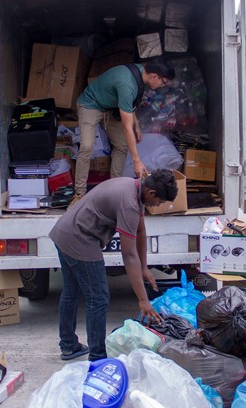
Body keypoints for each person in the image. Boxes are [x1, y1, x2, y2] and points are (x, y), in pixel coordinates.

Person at [48, 169, 177, 361]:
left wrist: (144, 268)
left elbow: (140, 231)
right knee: (98, 298)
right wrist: (143, 300)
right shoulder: (129, 204)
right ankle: (97, 357)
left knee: (71, 291)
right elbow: (128, 255)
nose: (157, 205)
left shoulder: (133, 187)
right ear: (151, 193)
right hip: (79, 239)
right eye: (158, 202)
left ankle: (68, 345)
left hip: (64, 232)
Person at [72, 57, 175, 205]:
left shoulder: (141, 74)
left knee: (122, 145)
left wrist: (137, 125)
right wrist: (136, 161)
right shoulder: (127, 84)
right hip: (91, 104)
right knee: (87, 146)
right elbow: (127, 128)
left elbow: (130, 103)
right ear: (154, 76)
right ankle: (79, 193)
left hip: (110, 108)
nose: (161, 86)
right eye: (163, 82)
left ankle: (115, 189)